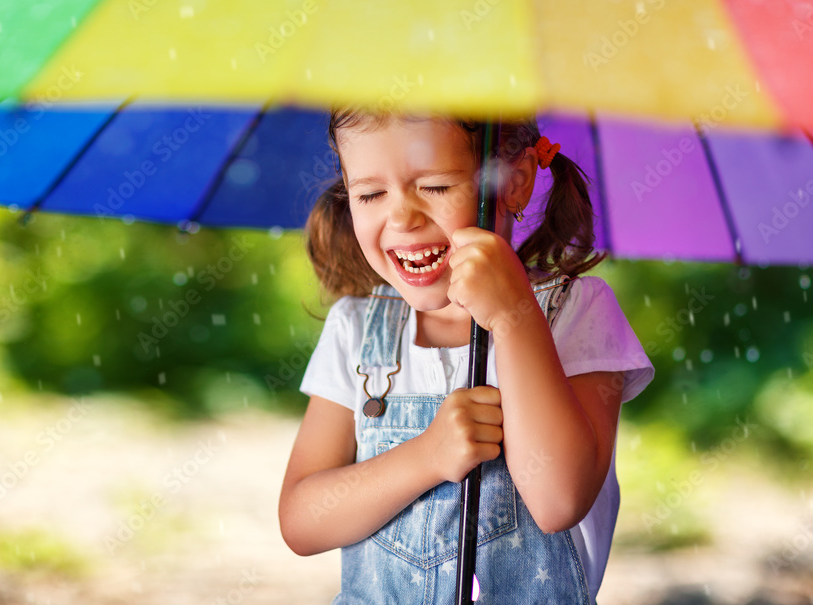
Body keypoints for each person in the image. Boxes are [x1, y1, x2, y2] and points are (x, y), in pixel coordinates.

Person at [279, 107, 654, 604]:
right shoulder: (357, 328)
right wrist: (427, 457)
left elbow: (558, 500)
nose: (402, 217)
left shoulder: (574, 314)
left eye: (434, 186)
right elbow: (302, 523)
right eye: (370, 193)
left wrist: (514, 315)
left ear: (515, 183)